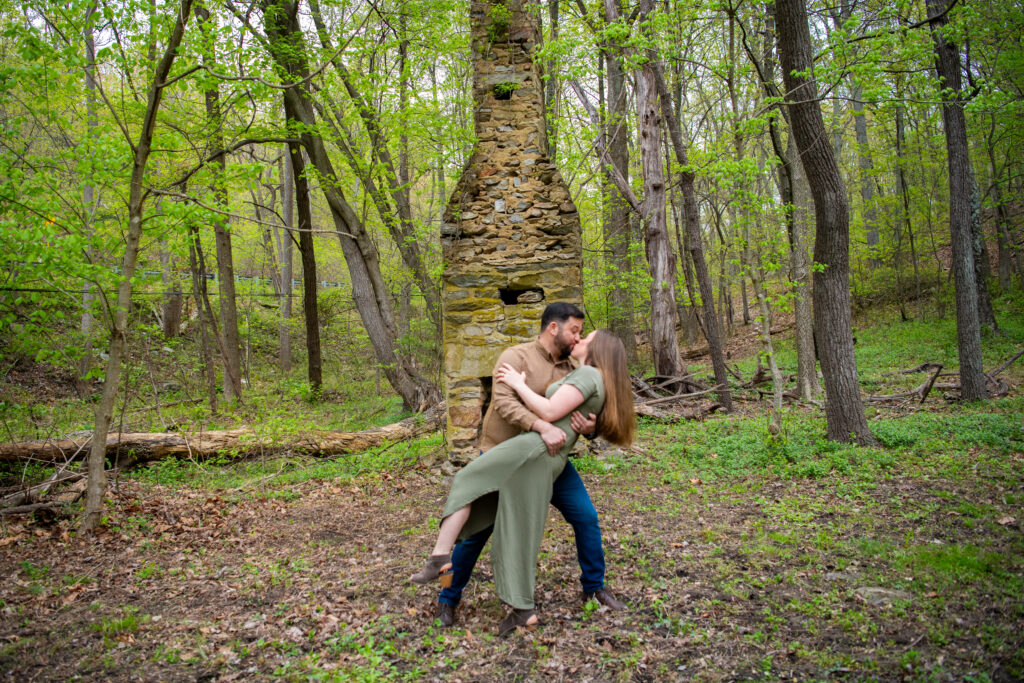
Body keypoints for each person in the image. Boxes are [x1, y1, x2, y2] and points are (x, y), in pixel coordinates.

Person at [411, 328, 636, 634]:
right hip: (510, 451)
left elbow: (592, 404)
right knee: (475, 531)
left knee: (586, 518)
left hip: (548, 458)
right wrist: (541, 425)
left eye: (583, 334)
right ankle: (448, 597)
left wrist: (592, 427)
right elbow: (505, 404)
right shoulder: (516, 357)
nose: (578, 337)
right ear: (553, 327)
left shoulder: (577, 368)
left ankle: (594, 588)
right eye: (575, 330)